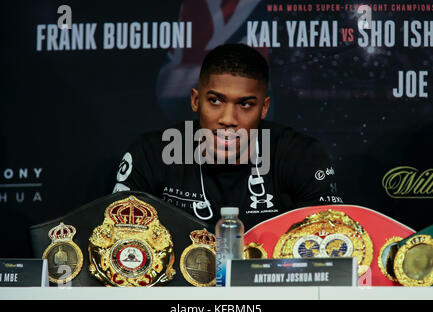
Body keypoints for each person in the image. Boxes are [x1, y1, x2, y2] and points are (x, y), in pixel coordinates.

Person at [113, 43, 342, 232]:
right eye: (215, 100)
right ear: (195, 100)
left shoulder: (300, 156)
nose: (228, 118)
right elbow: (117, 238)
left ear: (264, 108)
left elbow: (324, 244)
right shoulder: (152, 153)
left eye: (245, 104)